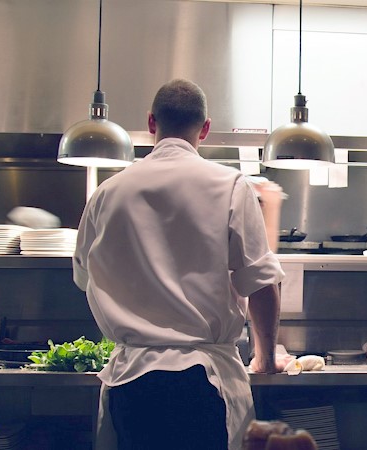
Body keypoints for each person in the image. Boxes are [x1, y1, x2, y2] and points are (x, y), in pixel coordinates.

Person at [72, 79, 285, 450]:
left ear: (152, 123)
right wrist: (265, 357)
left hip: (131, 384)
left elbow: (84, 278)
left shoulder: (107, 192)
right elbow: (262, 282)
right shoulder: (230, 185)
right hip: (202, 383)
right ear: (205, 128)